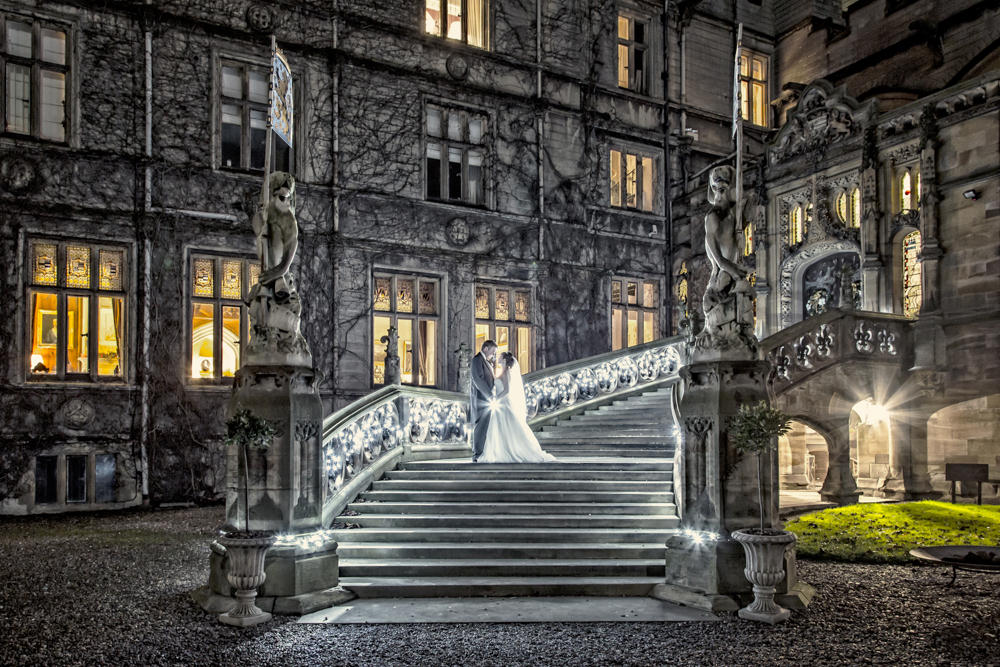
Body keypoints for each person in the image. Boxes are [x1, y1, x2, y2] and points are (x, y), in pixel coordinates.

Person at [480, 352, 557, 464]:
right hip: (500, 404)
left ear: (505, 360)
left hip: (504, 404)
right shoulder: (502, 372)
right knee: (500, 428)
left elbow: (507, 390)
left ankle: (513, 450)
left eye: (501, 357)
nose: (499, 359)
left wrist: (496, 398)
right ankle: (500, 451)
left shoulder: (507, 373)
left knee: (508, 427)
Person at [469, 340, 497, 462]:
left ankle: (483, 452)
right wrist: (490, 395)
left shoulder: (487, 361)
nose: (494, 354)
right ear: (485, 348)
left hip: (486, 399)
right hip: (481, 399)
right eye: (493, 351)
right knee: (480, 426)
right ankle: (477, 454)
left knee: (485, 426)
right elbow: (478, 379)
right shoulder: (477, 360)